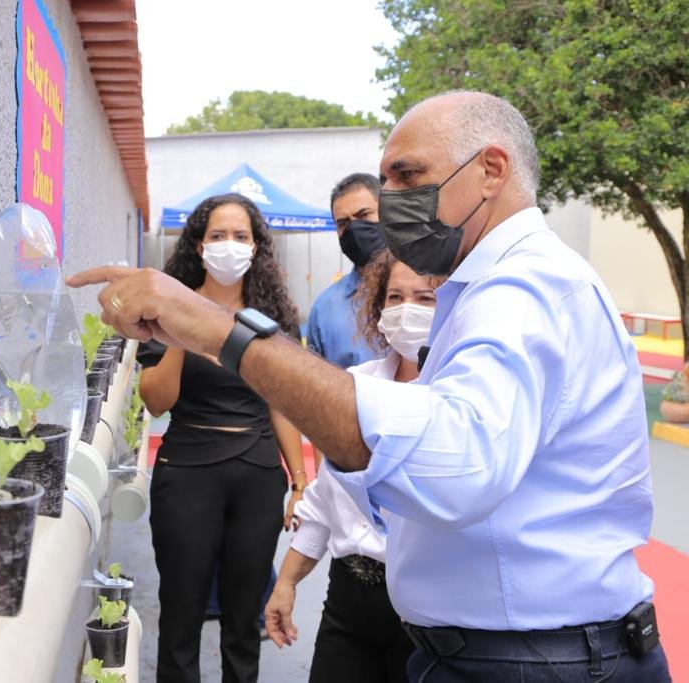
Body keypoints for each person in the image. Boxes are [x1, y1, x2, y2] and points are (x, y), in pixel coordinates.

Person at [70, 91, 672, 681]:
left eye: (409, 176)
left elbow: (452, 466)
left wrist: (217, 329)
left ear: (491, 169)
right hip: (498, 651)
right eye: (387, 184)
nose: (392, 203)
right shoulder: (486, 289)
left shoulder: (527, 290)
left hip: (535, 659)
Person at [135, 193, 307, 683]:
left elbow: (282, 403)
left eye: (240, 236)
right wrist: (178, 330)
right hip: (187, 471)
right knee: (181, 616)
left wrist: (298, 481)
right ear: (198, 243)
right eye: (217, 235)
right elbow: (156, 401)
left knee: (242, 622)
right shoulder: (166, 307)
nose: (229, 246)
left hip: (257, 475)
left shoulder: (272, 316)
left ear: (256, 248)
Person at [266, 250, 442, 682]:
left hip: (428, 612)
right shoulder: (357, 387)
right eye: (395, 297)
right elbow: (327, 500)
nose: (406, 311)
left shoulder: (458, 398)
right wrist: (286, 583)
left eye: (425, 299)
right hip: (347, 603)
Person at [305, 173, 386, 369]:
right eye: (343, 223)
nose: (354, 229)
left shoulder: (432, 289)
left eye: (363, 215)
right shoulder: (325, 309)